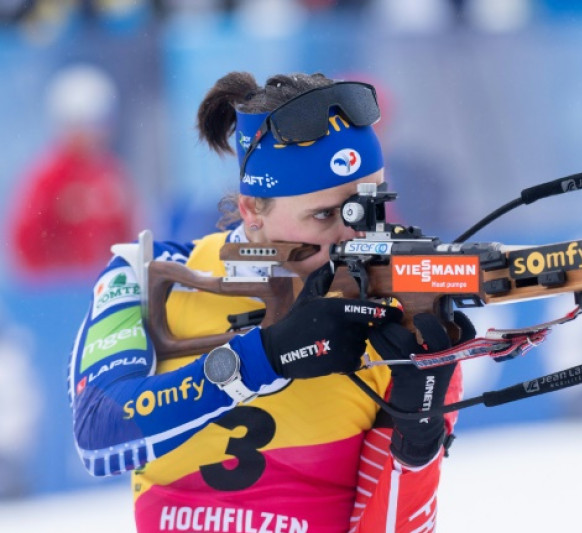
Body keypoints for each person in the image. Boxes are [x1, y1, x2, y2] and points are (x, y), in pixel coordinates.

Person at [68, 71, 471, 533]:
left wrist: (416, 443)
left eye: (369, 209)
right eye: (324, 214)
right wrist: (264, 358)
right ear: (251, 210)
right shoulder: (147, 274)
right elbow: (98, 433)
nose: (353, 235)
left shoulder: (401, 317)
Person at [10, 63, 138, 277]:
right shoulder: (47, 178)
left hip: (102, 282)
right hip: (60, 288)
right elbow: (26, 242)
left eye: (100, 124)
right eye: (85, 125)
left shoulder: (111, 174)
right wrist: (53, 280)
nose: (94, 134)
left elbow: (127, 235)